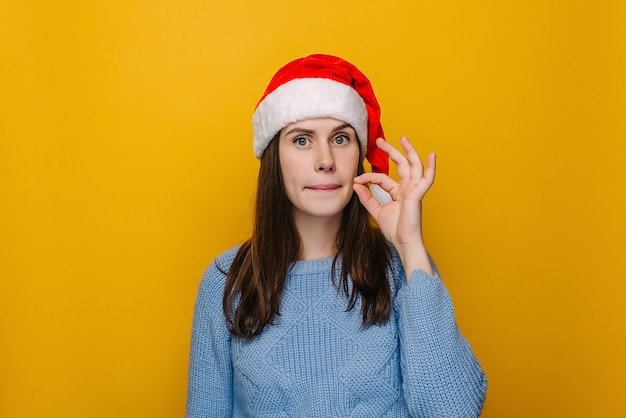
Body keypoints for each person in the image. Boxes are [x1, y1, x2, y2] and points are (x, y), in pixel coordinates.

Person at [186, 54, 487, 417]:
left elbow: (454, 411)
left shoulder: (400, 269)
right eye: (302, 141)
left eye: (341, 138)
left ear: (359, 153)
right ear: (274, 159)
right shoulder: (225, 283)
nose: (325, 159)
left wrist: (410, 246)